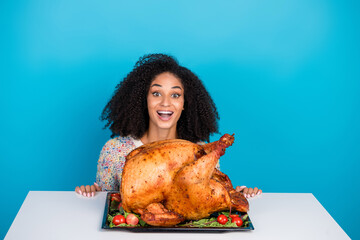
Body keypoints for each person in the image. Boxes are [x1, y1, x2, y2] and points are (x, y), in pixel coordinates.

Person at [75, 54, 262, 198]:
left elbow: (210, 196)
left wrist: (239, 194)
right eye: (156, 93)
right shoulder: (114, 151)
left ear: (184, 104)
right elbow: (107, 203)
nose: (165, 103)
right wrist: (93, 192)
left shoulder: (200, 152)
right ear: (143, 100)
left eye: (175, 95)